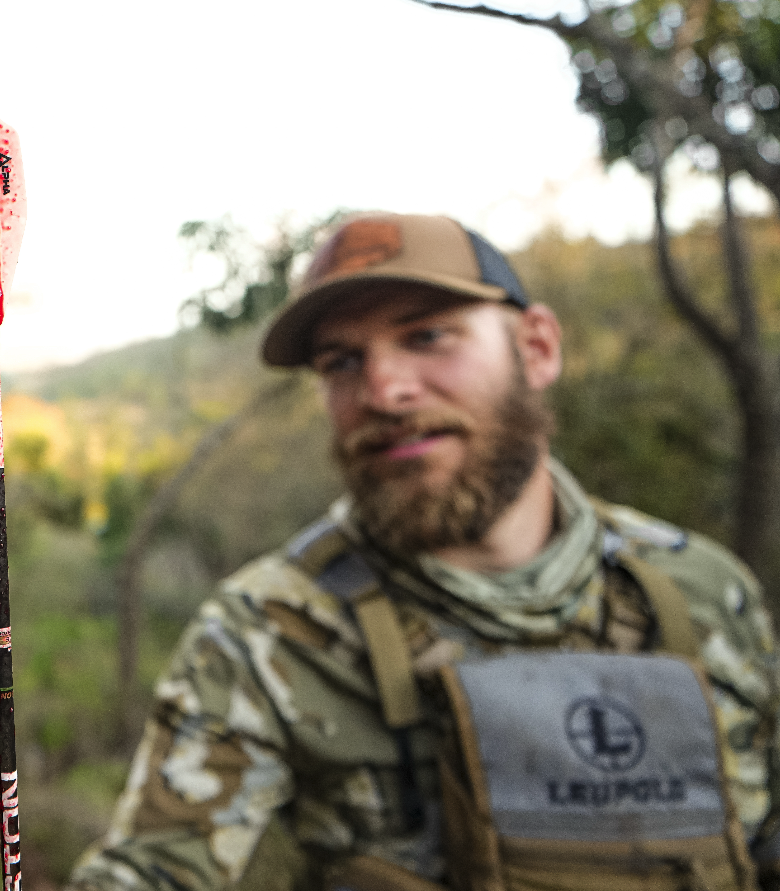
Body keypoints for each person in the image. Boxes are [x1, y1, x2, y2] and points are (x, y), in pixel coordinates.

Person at [66, 212, 780, 891]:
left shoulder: (703, 592)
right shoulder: (273, 632)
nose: (384, 390)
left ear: (536, 348)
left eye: (429, 336)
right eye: (341, 362)